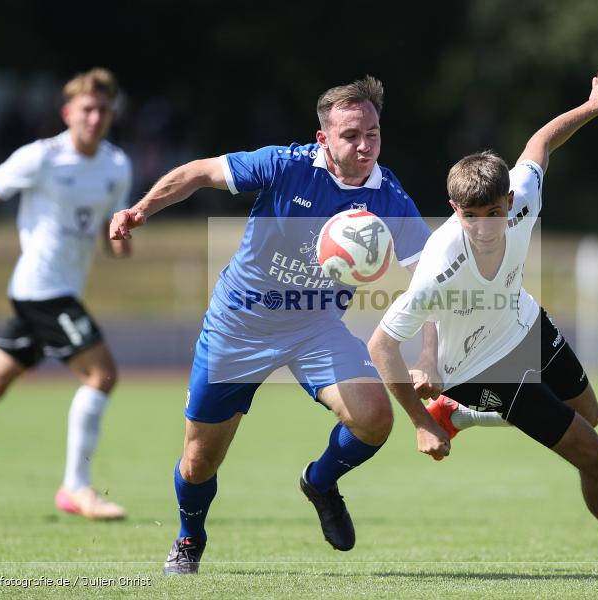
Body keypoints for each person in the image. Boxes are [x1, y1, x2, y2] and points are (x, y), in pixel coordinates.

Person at [108, 76, 446, 575]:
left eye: (372, 133)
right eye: (351, 135)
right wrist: (142, 208)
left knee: (375, 419)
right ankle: (189, 536)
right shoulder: (284, 165)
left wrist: (427, 354)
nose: (364, 145)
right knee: (200, 460)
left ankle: (321, 481)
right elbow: (200, 172)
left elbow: (429, 280)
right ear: (323, 139)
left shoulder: (389, 197)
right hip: (238, 325)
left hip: (315, 327)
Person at [368, 70, 598, 577]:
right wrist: (420, 423)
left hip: (526, 325)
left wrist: (595, 106)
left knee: (589, 416)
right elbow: (381, 346)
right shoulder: (438, 265)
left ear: (509, 202)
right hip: (481, 368)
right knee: (593, 453)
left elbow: (540, 141)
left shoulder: (522, 195)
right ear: (454, 210)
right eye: (471, 216)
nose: (485, 226)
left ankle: (458, 416)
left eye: (493, 212)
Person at [0, 68, 132, 521]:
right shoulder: (41, 158)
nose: (94, 118)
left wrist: (121, 237)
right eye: (86, 110)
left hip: (53, 292)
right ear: (67, 113)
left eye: (102, 110)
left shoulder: (117, 166)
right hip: (43, 289)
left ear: (111, 114)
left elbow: (109, 238)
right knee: (101, 375)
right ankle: (76, 488)